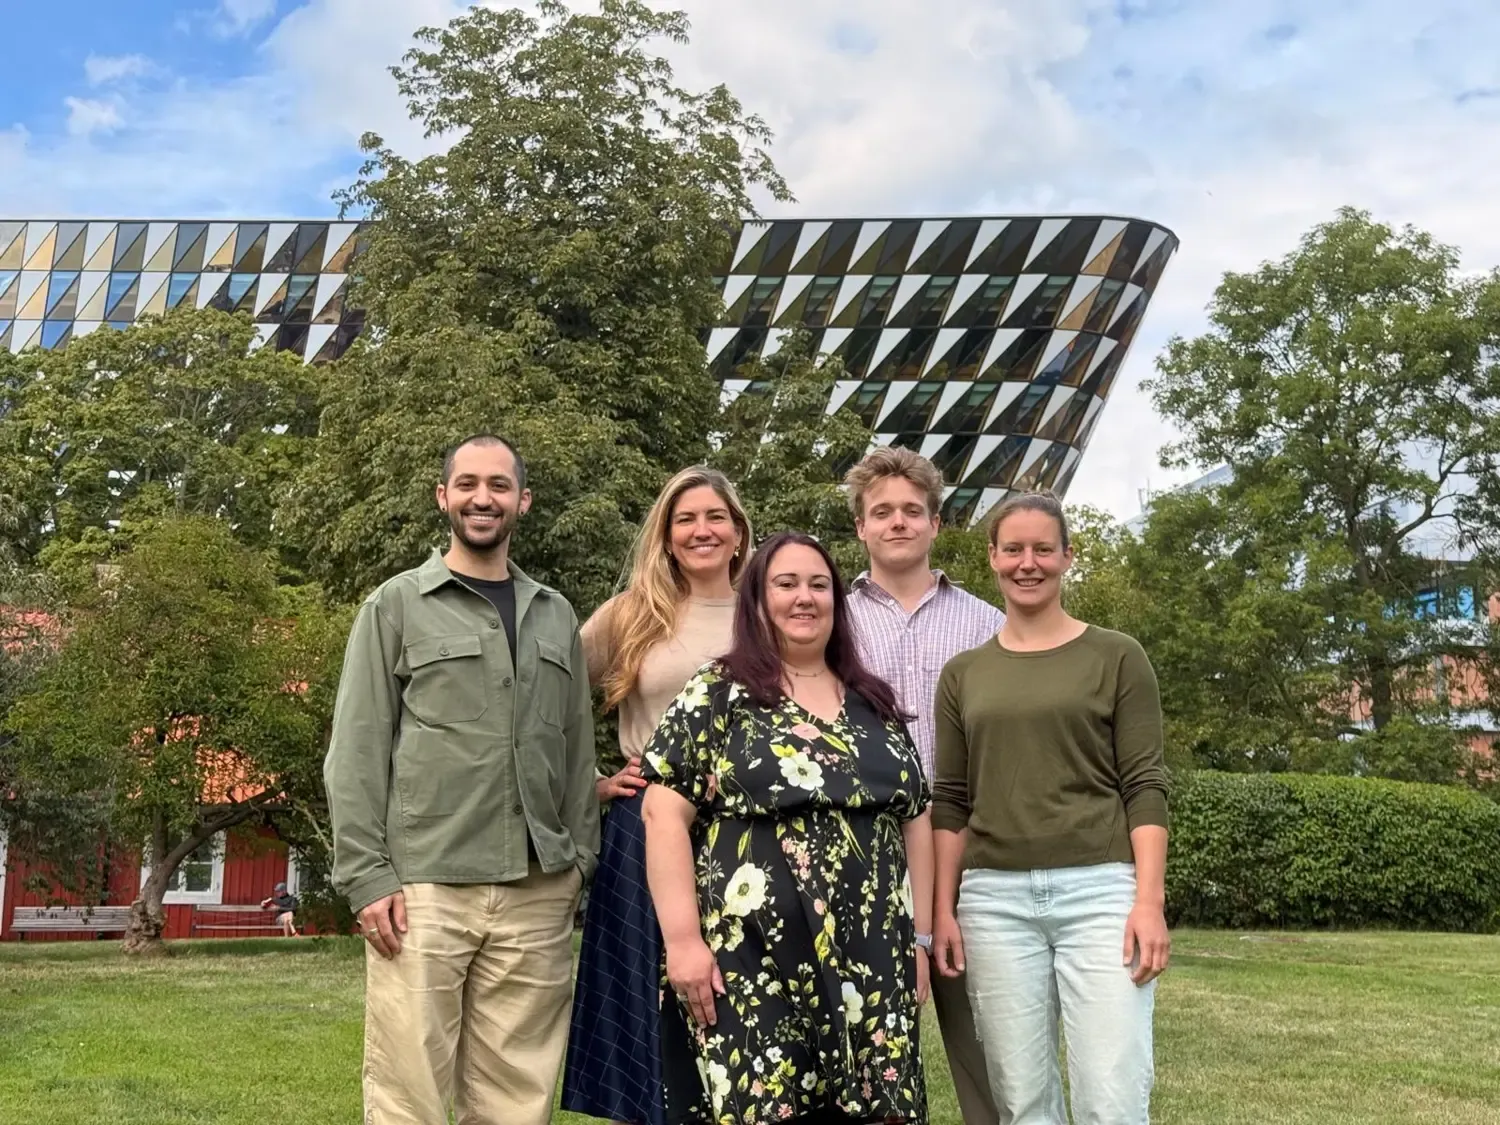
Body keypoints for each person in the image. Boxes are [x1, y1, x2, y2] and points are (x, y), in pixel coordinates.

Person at [324, 434, 599, 1125]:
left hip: (537, 889)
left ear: (523, 501)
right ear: (443, 496)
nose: (484, 498)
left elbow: (575, 748)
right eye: (469, 484)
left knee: (517, 1098)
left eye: (500, 485)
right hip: (425, 888)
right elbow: (356, 747)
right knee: (407, 1093)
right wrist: (367, 874)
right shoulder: (395, 605)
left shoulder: (555, 613)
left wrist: (577, 864)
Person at [641, 531, 932, 1125]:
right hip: (753, 956)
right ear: (756, 600)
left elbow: (916, 816)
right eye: (787, 584)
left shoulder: (872, 701)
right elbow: (662, 812)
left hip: (872, 957)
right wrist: (682, 942)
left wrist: (920, 941)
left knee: (880, 1111)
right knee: (767, 1108)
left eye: (819, 584)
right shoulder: (718, 693)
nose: (805, 598)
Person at [930, 490, 1170, 1125]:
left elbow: (1144, 784)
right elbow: (951, 800)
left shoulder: (1117, 656)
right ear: (992, 558)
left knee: (1112, 1094)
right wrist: (942, 910)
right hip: (993, 903)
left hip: (1101, 895)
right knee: (1022, 1100)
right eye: (1013, 549)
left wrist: (1148, 901)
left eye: (1042, 548)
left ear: (1067, 555)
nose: (1027, 562)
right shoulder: (962, 674)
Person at [562, 466, 752, 1125]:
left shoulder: (769, 608)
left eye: (715, 517)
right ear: (667, 537)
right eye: (685, 519)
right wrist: (586, 781)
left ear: (738, 532)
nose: (702, 529)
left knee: (743, 1001)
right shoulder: (631, 613)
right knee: (648, 1007)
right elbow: (539, 695)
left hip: (748, 833)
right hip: (645, 825)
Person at [843, 446, 1006, 1125]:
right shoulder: (830, 620)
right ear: (861, 527)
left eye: (913, 510)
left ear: (937, 523)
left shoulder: (988, 624)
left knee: (989, 1047)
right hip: (862, 851)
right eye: (882, 511)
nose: (898, 522)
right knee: (863, 1047)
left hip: (968, 848)